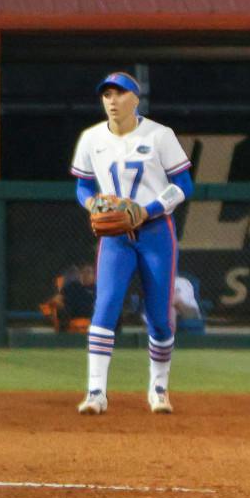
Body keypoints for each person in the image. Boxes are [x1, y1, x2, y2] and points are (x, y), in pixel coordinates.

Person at [70, 71, 192, 415]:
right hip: (115, 238)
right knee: (105, 307)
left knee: (158, 318)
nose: (112, 100)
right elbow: (82, 186)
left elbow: (184, 184)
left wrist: (148, 209)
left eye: (120, 94)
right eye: (106, 95)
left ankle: (159, 389)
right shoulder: (91, 138)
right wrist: (92, 203)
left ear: (135, 99)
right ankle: (96, 392)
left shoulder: (159, 135)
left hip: (155, 233)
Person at [61, 263, 97, 329]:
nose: (88, 275)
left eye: (91, 273)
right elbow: (62, 298)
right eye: (86, 272)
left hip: (92, 316)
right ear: (81, 274)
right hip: (74, 315)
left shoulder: (96, 288)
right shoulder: (73, 286)